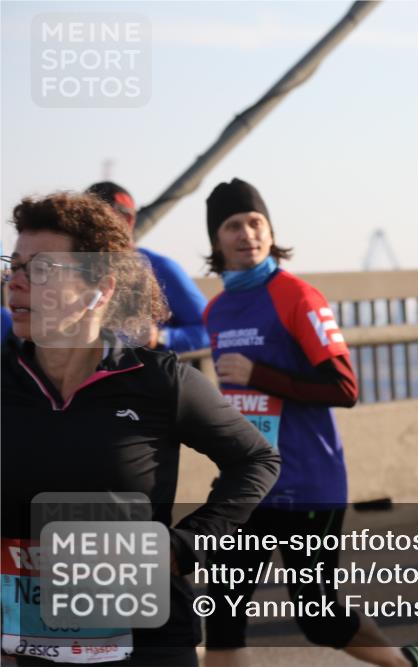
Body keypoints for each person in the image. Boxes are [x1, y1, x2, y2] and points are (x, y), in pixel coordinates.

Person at [0, 192, 281, 666]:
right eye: (15, 265)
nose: (16, 281)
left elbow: (257, 459)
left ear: (100, 289)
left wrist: (186, 543)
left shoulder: (159, 382)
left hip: (144, 645)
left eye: (41, 269)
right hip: (28, 647)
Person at [200, 178, 418, 667]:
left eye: (255, 222)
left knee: (319, 617)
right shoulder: (216, 310)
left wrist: (258, 374)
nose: (247, 233)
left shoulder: (298, 297)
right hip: (248, 484)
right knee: (221, 612)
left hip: (307, 483)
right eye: (233, 225)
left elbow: (344, 388)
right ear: (216, 241)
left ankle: (407, 664)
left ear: (270, 229)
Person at [85, 181, 210, 353]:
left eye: (97, 219)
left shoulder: (160, 268)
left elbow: (208, 329)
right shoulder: (72, 270)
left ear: (127, 220)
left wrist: (159, 337)